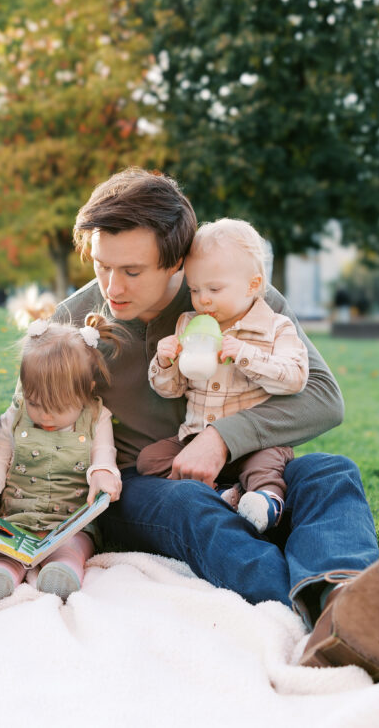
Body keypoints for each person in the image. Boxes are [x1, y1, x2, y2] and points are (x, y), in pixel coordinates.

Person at [53, 167, 379, 685]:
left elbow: (323, 397)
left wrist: (223, 438)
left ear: (177, 264)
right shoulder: (74, 320)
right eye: (102, 266)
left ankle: (344, 596)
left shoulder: (231, 290)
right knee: (191, 504)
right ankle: (329, 625)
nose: (112, 287)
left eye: (133, 271)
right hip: (143, 485)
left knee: (330, 472)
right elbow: (39, 426)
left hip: (253, 472)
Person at [136, 218, 309, 533]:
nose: (203, 299)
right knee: (150, 459)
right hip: (196, 437)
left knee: (265, 465)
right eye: (195, 289)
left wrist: (243, 354)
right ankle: (221, 494)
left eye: (214, 289)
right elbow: (172, 390)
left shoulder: (276, 327)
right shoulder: (188, 325)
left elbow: (295, 377)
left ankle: (267, 503)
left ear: (253, 285)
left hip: (255, 442)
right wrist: (165, 363)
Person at [0, 314, 123, 611]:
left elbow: (104, 456)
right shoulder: (16, 417)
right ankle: (0, 577)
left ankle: (63, 574)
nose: (44, 415)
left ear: (86, 391)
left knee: (73, 549)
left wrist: (104, 475)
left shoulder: (97, 417)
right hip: (18, 519)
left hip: (70, 524)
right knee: (6, 553)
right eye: (34, 402)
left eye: (57, 407)